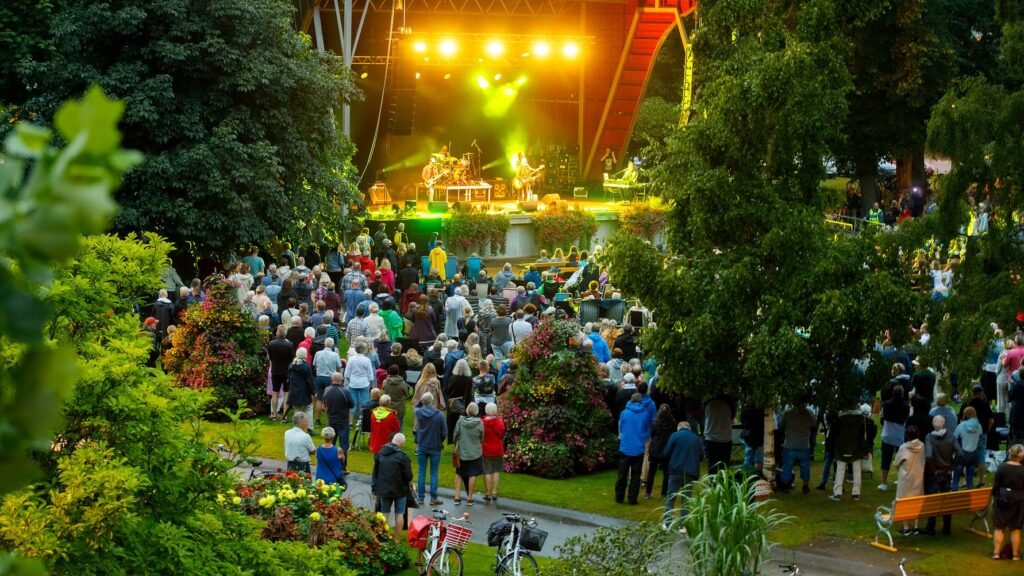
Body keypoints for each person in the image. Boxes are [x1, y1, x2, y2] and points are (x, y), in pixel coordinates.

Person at [372, 432, 413, 541]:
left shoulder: (380, 454)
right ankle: (397, 540)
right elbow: (409, 476)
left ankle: (382, 537)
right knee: (399, 513)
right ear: (400, 444)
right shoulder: (403, 456)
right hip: (400, 490)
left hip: (384, 489)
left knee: (384, 513)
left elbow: (375, 473)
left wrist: (374, 488)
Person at [663, 421, 703, 526]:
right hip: (691, 472)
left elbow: (666, 452)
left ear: (679, 428)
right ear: (689, 428)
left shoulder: (675, 435)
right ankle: (683, 525)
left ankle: (667, 523)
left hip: (675, 470)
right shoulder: (696, 438)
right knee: (686, 499)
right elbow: (701, 456)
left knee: (671, 497)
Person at [829, 404, 871, 501]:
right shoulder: (860, 419)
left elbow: (834, 435)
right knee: (856, 470)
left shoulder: (839, 419)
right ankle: (856, 493)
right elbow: (862, 436)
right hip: (855, 447)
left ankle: (837, 493)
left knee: (840, 469)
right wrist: (865, 449)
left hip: (841, 447)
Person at [617, 393, 652, 505]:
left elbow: (621, 428)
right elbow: (647, 432)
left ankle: (619, 497)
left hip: (625, 447)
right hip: (638, 448)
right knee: (636, 476)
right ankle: (632, 498)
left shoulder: (624, 413)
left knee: (622, 474)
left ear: (631, 400)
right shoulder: (645, 414)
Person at [923, 414, 956, 536]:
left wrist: (932, 469)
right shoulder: (951, 437)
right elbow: (960, 453)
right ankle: (946, 527)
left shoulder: (929, 438)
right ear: (944, 424)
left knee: (932, 499)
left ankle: (931, 527)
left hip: (935, 473)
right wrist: (952, 466)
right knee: (946, 499)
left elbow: (929, 455)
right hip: (946, 472)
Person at [991, 443, 1024, 560]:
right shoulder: (1022, 470)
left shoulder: (1002, 467)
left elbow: (996, 485)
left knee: (999, 527)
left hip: (1003, 498)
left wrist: (994, 497)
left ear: (1010, 453)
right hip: (1019, 499)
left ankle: (996, 553)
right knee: (1015, 528)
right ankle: (1015, 555)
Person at [414, 392, 447, 506]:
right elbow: (444, 432)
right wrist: (440, 440)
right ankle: (433, 497)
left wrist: (421, 401)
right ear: (432, 401)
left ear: (423, 401)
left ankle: (421, 497)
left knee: (421, 471)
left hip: (422, 445)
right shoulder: (439, 415)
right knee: (434, 472)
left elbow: (415, 407)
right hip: (435, 446)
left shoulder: (419, 412)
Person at [778, 402, 817, 494]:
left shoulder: (787, 413)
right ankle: (805, 486)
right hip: (804, 444)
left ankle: (785, 486)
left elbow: (780, 426)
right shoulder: (808, 413)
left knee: (787, 466)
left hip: (789, 444)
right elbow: (814, 423)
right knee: (805, 466)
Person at [894, 426, 925, 535]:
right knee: (917, 499)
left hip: (906, 477)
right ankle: (916, 526)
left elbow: (896, 463)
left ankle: (906, 527)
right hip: (918, 476)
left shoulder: (903, 448)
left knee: (903, 500)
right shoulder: (922, 446)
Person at [878, 385, 909, 491]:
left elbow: (881, 418)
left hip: (887, 435)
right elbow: (906, 420)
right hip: (900, 436)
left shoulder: (886, 404)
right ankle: (900, 479)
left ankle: (884, 483)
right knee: (901, 459)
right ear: (902, 394)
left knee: (885, 459)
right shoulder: (906, 406)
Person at [453, 402, 485, 506]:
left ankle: (457, 496)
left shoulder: (460, 421)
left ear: (467, 410)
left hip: (462, 452)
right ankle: (470, 498)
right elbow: (482, 438)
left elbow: (455, 435)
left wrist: (456, 443)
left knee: (459, 473)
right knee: (473, 474)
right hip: (475, 452)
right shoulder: (480, 423)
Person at [646, 404, 677, 499]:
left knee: (651, 472)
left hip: (656, 449)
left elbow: (652, 435)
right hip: (667, 450)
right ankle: (663, 493)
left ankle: (648, 493)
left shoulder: (655, 423)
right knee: (666, 473)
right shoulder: (673, 423)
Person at [344, 342, 375, 435]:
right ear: (364, 350)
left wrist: (350, 380)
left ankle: (350, 422)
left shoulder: (351, 359)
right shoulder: (367, 360)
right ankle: (362, 422)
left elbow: (346, 374)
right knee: (364, 403)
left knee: (352, 402)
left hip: (353, 383)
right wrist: (370, 382)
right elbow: (370, 374)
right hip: (364, 383)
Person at [322, 372, 354, 462]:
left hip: (331, 419)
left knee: (330, 442)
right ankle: (343, 466)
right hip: (343, 421)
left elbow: (324, 403)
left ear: (332, 379)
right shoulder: (345, 391)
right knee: (343, 444)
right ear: (341, 380)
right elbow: (352, 405)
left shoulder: (327, 390)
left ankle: (329, 462)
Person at [267, 325, 295, 420]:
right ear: (285, 333)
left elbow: (270, 357)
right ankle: (284, 415)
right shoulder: (290, 345)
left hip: (275, 370)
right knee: (286, 393)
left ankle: (274, 414)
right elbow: (292, 358)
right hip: (286, 371)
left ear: (277, 332)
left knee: (275, 392)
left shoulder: (271, 344)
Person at [953, 406, 984, 490]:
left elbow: (954, 438)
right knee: (970, 477)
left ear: (966, 415)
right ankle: (969, 491)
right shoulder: (979, 426)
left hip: (962, 453)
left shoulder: (961, 425)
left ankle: (954, 491)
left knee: (956, 477)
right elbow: (980, 437)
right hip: (974, 453)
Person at [481, 402, 506, 503]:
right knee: (496, 470)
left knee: (487, 471)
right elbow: (501, 435)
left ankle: (488, 493)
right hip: (497, 449)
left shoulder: (482, 422)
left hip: (486, 449)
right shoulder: (499, 422)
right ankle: (494, 492)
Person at [704, 395, 735, 474]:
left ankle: (712, 484)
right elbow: (732, 420)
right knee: (725, 465)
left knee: (712, 465)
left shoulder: (708, 404)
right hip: (726, 439)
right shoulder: (729, 405)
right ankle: (724, 483)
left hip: (711, 439)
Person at [287, 348, 316, 428]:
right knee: (309, 408)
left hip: (294, 391)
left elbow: (289, 377)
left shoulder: (291, 365)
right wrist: (314, 391)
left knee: (297, 410)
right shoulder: (306, 366)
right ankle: (309, 427)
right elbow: (310, 380)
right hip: (304, 392)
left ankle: (297, 427)